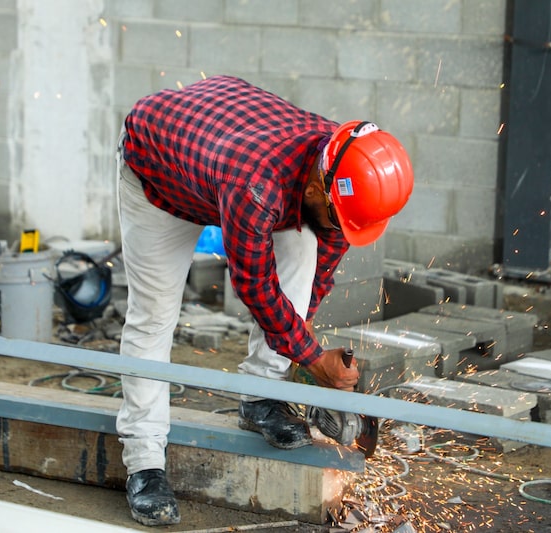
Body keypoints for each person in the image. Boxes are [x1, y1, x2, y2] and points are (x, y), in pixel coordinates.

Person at [115, 75, 413, 526]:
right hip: (158, 174)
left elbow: (319, 271)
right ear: (314, 192)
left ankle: (261, 397)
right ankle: (144, 463)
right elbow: (253, 286)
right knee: (153, 316)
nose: (344, 231)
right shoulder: (255, 185)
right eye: (340, 220)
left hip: (217, 150)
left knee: (304, 249)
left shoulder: (340, 168)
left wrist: (301, 347)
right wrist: (314, 360)